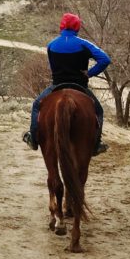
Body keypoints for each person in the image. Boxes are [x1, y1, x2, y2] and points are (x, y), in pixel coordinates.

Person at [23, 12, 110, 155]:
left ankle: (33, 138)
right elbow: (105, 59)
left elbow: (52, 68)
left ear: (61, 26)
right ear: (77, 27)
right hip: (80, 86)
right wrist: (90, 73)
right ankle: (96, 143)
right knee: (99, 110)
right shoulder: (84, 44)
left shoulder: (51, 45)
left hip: (57, 86)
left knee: (37, 105)